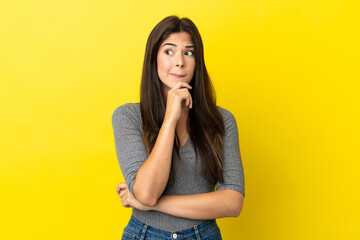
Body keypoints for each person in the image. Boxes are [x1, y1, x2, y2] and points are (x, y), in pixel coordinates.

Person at [112, 15, 245, 240]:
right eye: (169, 51)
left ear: (197, 61)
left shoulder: (221, 120)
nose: (180, 62)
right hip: (144, 235)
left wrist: (149, 205)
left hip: (203, 235)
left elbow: (232, 202)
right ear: (154, 58)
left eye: (188, 52)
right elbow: (147, 192)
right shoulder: (128, 116)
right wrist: (170, 120)